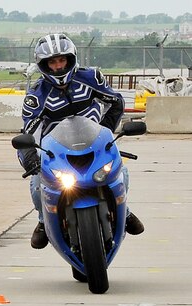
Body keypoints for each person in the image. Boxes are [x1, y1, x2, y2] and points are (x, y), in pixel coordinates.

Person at [18, 33, 144, 249]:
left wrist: (105, 132)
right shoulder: (36, 95)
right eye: (52, 62)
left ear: (71, 59)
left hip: (94, 144)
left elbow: (116, 102)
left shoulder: (91, 78)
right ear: (43, 65)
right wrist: (29, 158)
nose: (58, 66)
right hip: (58, 151)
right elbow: (28, 130)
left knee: (120, 171)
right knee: (38, 183)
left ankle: (126, 210)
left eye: (62, 60)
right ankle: (42, 221)